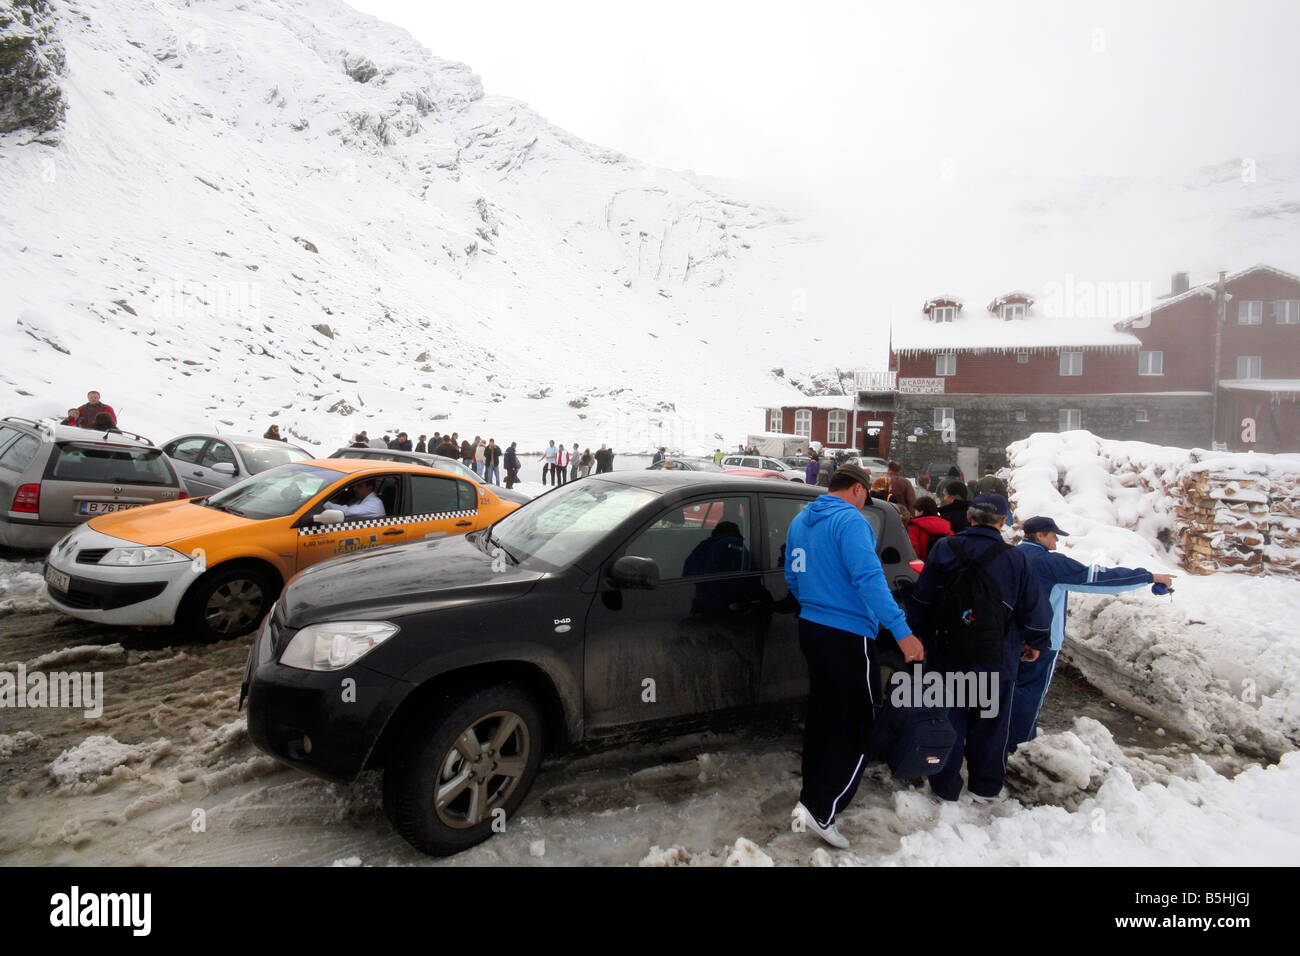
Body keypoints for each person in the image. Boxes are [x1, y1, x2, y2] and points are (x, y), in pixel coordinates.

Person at [784, 463, 926, 849]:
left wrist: (817, 603)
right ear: (860, 491)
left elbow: (793, 575)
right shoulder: (852, 522)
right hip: (848, 635)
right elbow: (869, 578)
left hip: (811, 627)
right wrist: (903, 633)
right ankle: (822, 809)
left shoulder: (801, 522)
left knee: (824, 716)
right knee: (858, 722)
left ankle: (810, 799)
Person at [905, 494, 1050, 803]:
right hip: (996, 658)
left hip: (947, 654)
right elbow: (1036, 611)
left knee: (949, 718)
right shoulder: (1016, 558)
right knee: (991, 724)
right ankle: (985, 788)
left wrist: (918, 636)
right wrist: (1036, 642)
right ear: (1002, 522)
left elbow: (923, 599)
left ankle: (945, 786)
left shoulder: (945, 548)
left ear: (969, 518)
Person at [1008, 516, 1174, 752]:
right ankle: (1018, 746)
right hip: (1041, 641)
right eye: (1053, 535)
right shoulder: (1049, 563)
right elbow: (1097, 577)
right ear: (1040, 535)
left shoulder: (1010, 555)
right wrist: (1148, 576)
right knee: (1029, 694)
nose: (1057, 540)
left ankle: (996, 741)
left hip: (1009, 638)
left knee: (1007, 691)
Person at [906, 496, 951, 561]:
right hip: (944, 566)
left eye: (915, 510)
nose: (914, 513)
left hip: (923, 567)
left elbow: (912, 552)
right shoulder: (946, 526)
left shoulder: (915, 528)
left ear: (921, 511)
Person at [319, 478, 385, 520]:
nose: (354, 488)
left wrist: (322, 503)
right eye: (355, 486)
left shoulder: (374, 503)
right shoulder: (359, 500)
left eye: (359, 486)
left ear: (370, 488)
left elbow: (347, 511)